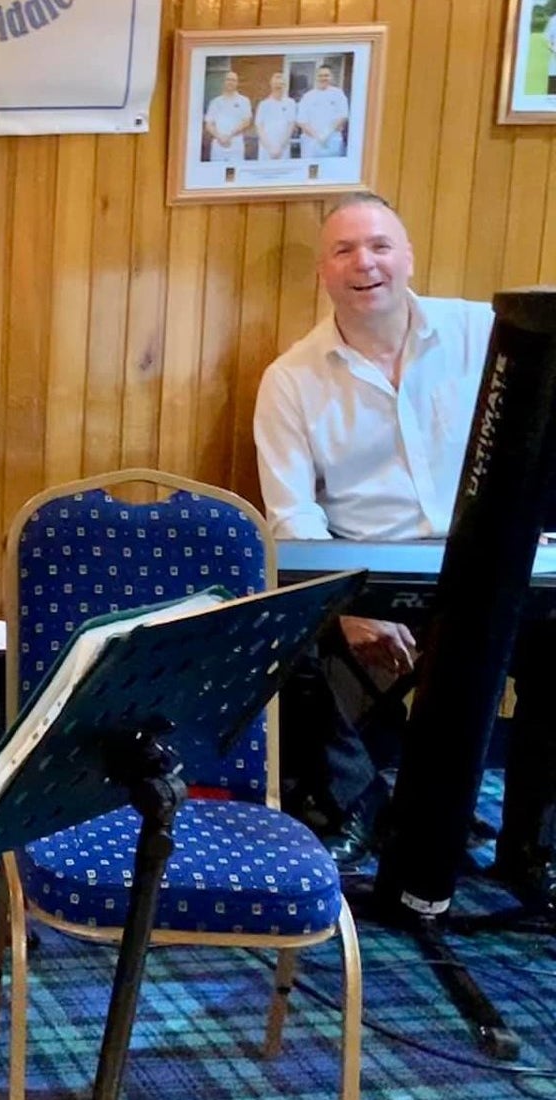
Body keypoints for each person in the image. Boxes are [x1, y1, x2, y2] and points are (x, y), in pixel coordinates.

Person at [252, 192, 554, 907]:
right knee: (284, 633)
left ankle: (531, 850)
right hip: (372, 572)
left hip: (497, 565)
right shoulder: (290, 379)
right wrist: (348, 605)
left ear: (408, 256)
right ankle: (361, 812)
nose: (366, 263)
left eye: (380, 245)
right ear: (324, 274)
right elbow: (292, 520)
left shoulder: (487, 334)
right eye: (345, 251)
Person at [296, 65, 350, 158]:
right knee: (309, 171)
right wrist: (318, 137)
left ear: (331, 77)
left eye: (326, 75)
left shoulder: (338, 94)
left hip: (332, 140)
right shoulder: (308, 96)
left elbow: (343, 115)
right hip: (311, 143)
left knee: (331, 170)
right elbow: (301, 120)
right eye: (320, 75)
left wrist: (326, 134)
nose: (323, 78)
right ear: (316, 77)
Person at [202, 68, 253, 162]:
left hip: (235, 143)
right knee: (217, 172)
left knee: (235, 172)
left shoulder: (244, 101)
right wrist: (220, 137)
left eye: (233, 80)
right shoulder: (215, 102)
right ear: (224, 82)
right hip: (218, 143)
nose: (230, 82)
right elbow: (208, 124)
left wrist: (230, 135)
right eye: (228, 79)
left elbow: (246, 122)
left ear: (237, 83)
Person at [255, 72, 297, 161]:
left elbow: (290, 126)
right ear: (271, 85)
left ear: (285, 86)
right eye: (276, 85)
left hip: (283, 149)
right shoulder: (263, 104)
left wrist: (280, 147)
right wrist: (270, 148)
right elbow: (259, 127)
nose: (278, 87)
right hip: (266, 150)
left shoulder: (291, 103)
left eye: (281, 84)